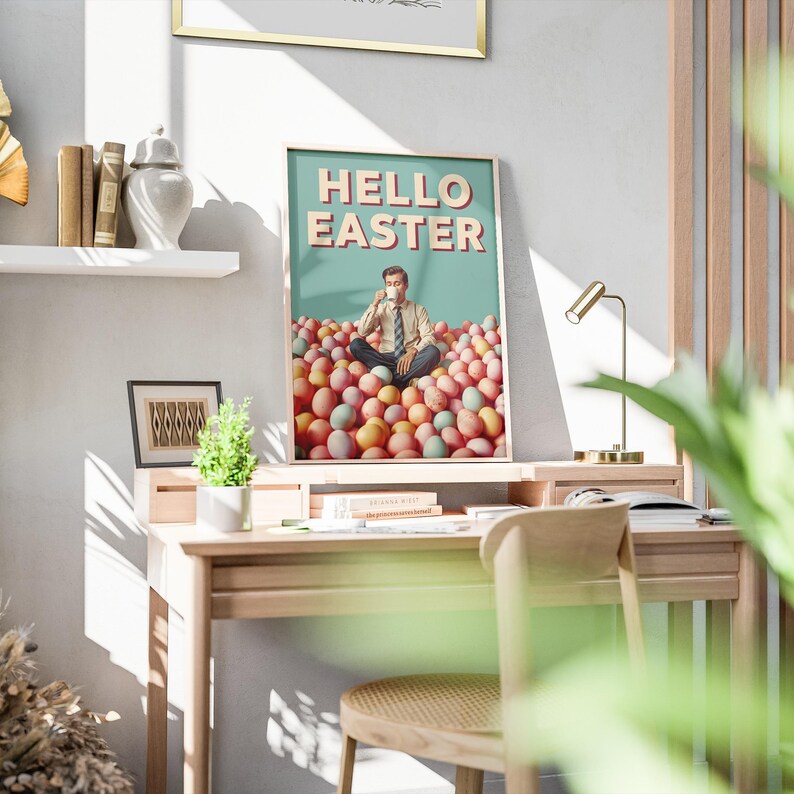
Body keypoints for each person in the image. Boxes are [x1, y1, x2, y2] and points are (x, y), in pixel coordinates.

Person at [350, 266, 440, 389]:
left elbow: (429, 337)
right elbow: (363, 331)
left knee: (433, 352)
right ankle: (404, 380)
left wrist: (414, 351)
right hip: (385, 358)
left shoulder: (418, 310)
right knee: (356, 344)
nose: (393, 288)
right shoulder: (381, 309)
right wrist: (374, 303)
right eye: (389, 284)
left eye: (397, 284)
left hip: (410, 358)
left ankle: (388, 378)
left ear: (406, 286)